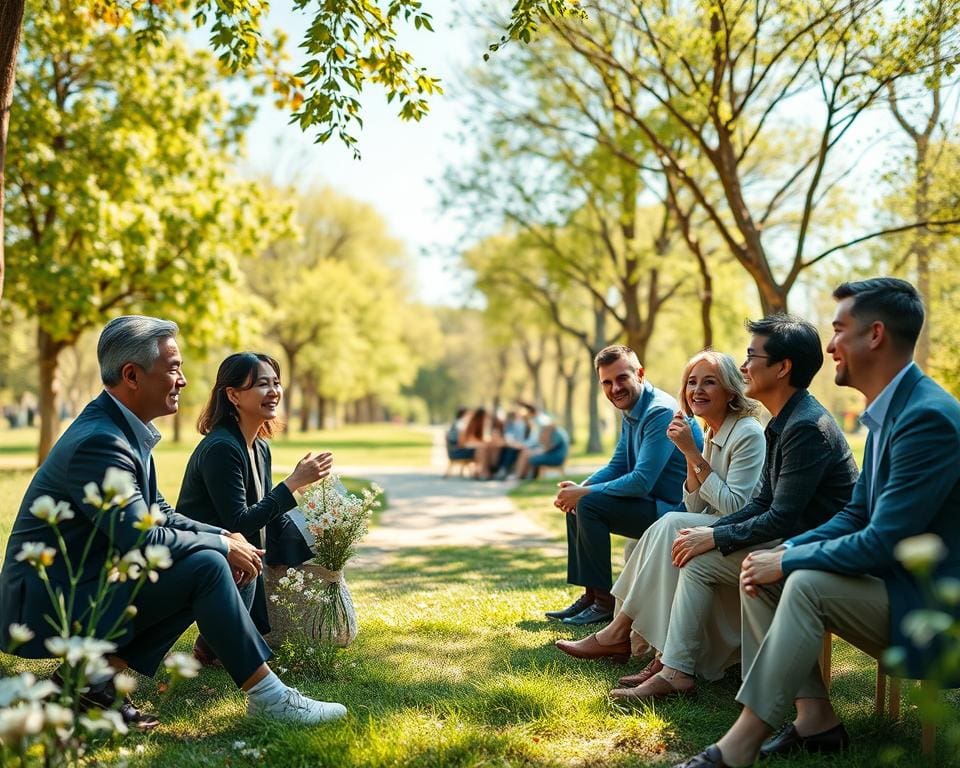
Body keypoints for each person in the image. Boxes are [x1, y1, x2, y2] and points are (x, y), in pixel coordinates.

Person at [0, 316, 346, 727]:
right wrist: (221, 546)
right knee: (206, 564)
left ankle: (87, 685)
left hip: (90, 580)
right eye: (174, 368)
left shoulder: (123, 429)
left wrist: (223, 534)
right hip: (48, 599)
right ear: (132, 375)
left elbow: (160, 513)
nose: (182, 379)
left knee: (209, 559)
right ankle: (271, 698)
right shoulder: (102, 441)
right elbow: (138, 536)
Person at [674, 279, 960, 768]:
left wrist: (789, 555)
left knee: (799, 579)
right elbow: (856, 512)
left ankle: (739, 744)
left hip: (931, 606)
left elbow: (881, 539)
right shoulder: (892, 412)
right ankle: (816, 721)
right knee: (767, 574)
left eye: (839, 330)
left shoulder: (925, 417)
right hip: (892, 583)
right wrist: (778, 556)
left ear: (874, 335)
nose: (829, 346)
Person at [608, 316, 859, 702]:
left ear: (782, 367)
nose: (744, 368)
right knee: (686, 545)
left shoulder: (803, 426)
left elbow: (779, 517)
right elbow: (760, 503)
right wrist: (710, 531)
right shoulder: (784, 421)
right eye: (692, 382)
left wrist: (716, 534)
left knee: (681, 535)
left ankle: (651, 651)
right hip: (787, 538)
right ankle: (672, 665)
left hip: (808, 550)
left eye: (751, 357)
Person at [555, 350, 764, 669]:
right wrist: (579, 489)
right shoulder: (711, 430)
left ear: (730, 390)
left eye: (710, 382)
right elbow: (696, 502)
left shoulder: (746, 433)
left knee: (659, 521)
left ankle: (615, 630)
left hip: (730, 530)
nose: (697, 390)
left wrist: (692, 454)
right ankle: (627, 628)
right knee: (597, 511)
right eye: (692, 382)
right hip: (701, 518)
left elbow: (735, 507)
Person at [176, 352, 333, 666]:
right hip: (204, 546)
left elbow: (261, 510)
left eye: (276, 383)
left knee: (310, 534)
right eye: (262, 384)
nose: (274, 391)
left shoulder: (259, 445)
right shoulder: (222, 448)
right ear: (233, 395)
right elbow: (240, 521)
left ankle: (215, 643)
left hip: (239, 539)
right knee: (246, 555)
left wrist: (319, 528)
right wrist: (291, 484)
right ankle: (224, 645)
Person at [545, 345, 703, 626]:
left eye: (621, 379)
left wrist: (584, 494)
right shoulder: (631, 409)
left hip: (674, 510)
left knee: (589, 504)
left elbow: (642, 480)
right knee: (580, 503)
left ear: (639, 374)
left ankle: (604, 603)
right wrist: (579, 488)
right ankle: (592, 595)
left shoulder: (660, 412)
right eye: (607, 382)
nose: (614, 388)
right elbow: (618, 464)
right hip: (652, 503)